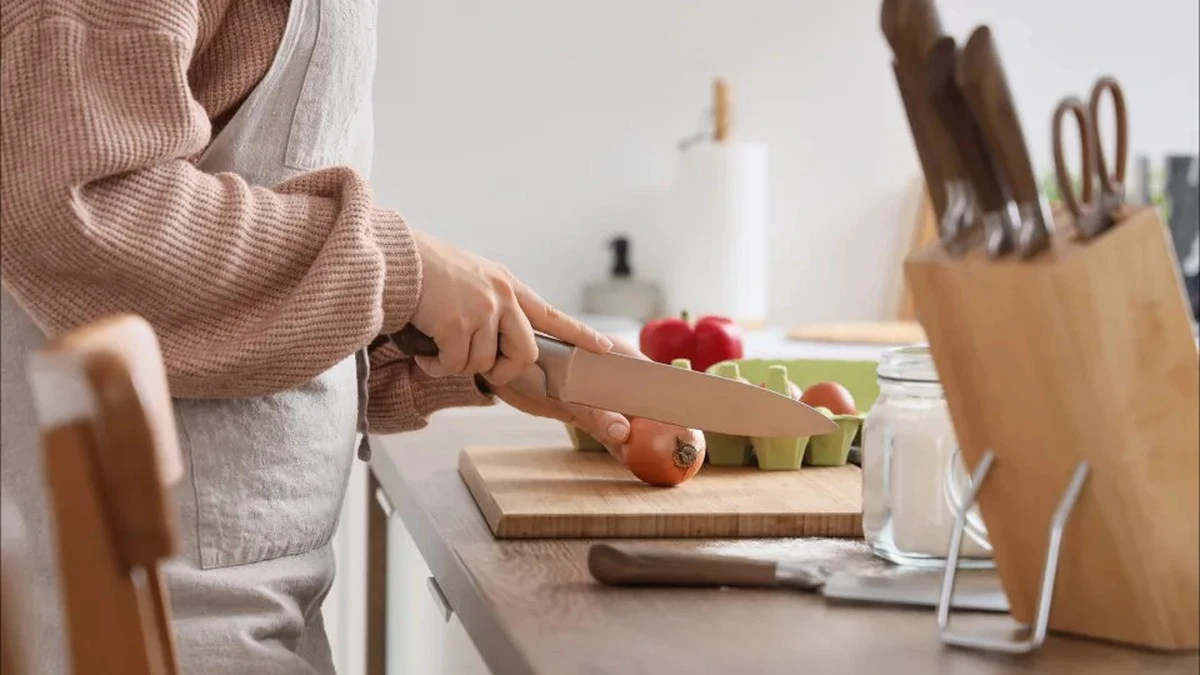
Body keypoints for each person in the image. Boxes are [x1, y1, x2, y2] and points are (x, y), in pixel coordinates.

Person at [0, 1, 633, 673]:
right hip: (158, 612)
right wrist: (397, 275)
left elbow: (244, 202)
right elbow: (81, 202)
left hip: (251, 595)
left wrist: (444, 346)